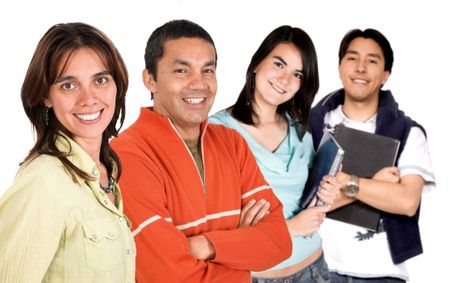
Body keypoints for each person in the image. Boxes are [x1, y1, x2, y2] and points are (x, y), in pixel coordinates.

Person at [110, 19, 292, 282]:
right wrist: (239, 248)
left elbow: (279, 242)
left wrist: (205, 245)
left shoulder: (232, 143)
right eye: (182, 71)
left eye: (208, 71)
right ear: (150, 79)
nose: (199, 84)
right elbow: (166, 275)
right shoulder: (128, 154)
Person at [0, 22, 135, 282]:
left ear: (117, 85)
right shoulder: (43, 183)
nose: (89, 99)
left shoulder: (107, 172)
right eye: (68, 86)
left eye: (100, 80)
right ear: (46, 96)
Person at [209, 25, 341, 283]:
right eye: (279, 64)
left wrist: (328, 194)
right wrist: (290, 228)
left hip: (313, 268)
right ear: (257, 63)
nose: (285, 79)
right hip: (255, 276)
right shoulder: (217, 130)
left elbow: (307, 200)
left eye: (297, 74)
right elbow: (214, 221)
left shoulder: (300, 130)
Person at [308, 28, 436, 282]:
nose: (361, 68)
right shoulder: (311, 125)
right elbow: (302, 206)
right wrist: (375, 186)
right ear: (340, 66)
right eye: (352, 58)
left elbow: (407, 202)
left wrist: (343, 181)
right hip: (314, 270)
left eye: (372, 60)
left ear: (386, 75)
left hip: (382, 273)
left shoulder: (408, 132)